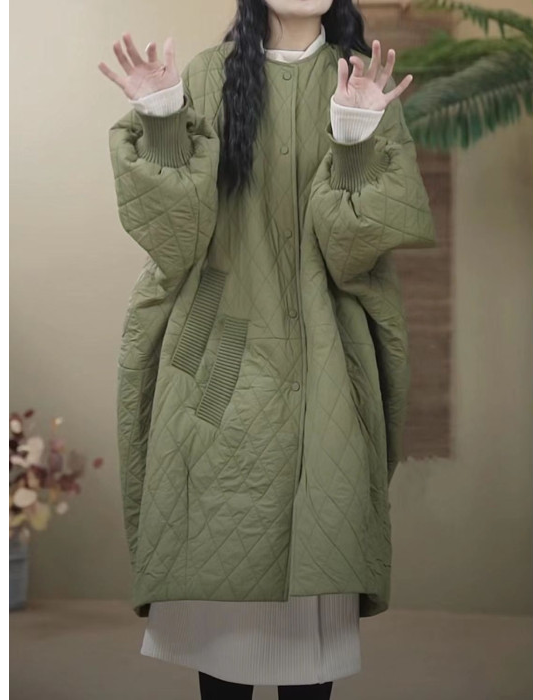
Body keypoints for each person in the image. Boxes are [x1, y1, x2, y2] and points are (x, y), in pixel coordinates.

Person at [98, 1, 436, 698]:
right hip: (218, 349)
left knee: (312, 624)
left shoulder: (362, 82)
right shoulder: (206, 75)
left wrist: (355, 139)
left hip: (324, 352)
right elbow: (179, 238)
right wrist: (161, 120)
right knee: (221, 615)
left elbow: (353, 252)